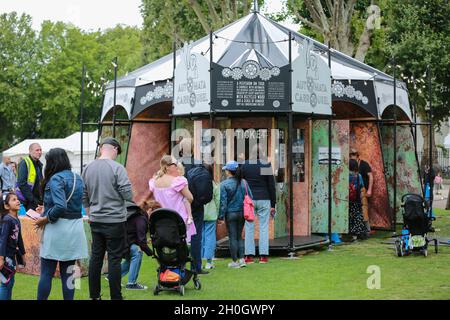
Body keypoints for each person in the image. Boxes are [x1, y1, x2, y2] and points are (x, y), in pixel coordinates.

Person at [32, 148, 88, 300]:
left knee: (46, 273)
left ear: (53, 162)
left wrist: (45, 218)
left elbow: (61, 206)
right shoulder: (77, 177)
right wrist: (46, 207)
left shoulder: (55, 179)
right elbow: (68, 205)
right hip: (75, 228)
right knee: (69, 273)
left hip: (57, 228)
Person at [82, 137, 133, 301]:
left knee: (96, 258)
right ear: (115, 150)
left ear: (101, 148)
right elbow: (128, 194)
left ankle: (94, 296)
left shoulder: (87, 168)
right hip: (115, 220)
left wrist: (90, 214)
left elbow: (83, 196)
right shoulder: (118, 168)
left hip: (96, 219)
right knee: (114, 259)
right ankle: (116, 297)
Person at [177, 138, 213, 275]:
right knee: (196, 235)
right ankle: (196, 267)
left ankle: (179, 264)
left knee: (179, 235)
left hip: (180, 205)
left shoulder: (176, 164)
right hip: (197, 205)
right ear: (193, 148)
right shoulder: (199, 164)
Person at [241, 146, 276, 264]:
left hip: (249, 199)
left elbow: (241, 182)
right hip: (264, 198)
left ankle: (249, 256)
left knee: (249, 227)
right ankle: (263, 256)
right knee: (263, 227)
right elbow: (271, 184)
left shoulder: (245, 165)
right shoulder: (265, 164)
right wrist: (273, 203)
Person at [148, 155, 196, 242]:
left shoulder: (154, 181)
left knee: (165, 243)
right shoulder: (177, 181)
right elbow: (190, 197)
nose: (177, 166)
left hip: (161, 218)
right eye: (175, 164)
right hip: (178, 218)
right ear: (167, 167)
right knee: (180, 244)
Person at [218, 160, 253, 268]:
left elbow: (223, 202)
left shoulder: (224, 184)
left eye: (226, 170)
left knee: (232, 237)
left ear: (229, 171)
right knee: (239, 236)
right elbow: (250, 196)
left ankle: (234, 261)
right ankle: (242, 259)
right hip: (242, 212)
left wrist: (220, 216)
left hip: (230, 213)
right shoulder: (244, 182)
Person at [120, 201, 152, 291]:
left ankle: (113, 276)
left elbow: (135, 235)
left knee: (130, 259)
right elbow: (141, 241)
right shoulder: (141, 218)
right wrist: (151, 253)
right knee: (137, 252)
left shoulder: (137, 215)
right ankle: (131, 284)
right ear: (149, 210)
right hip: (126, 243)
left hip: (122, 242)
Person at [0, 192, 26, 300]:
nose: (18, 201)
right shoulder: (6, 220)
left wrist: (23, 255)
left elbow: (19, 239)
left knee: (10, 282)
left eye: (17, 199)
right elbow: (2, 240)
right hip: (5, 256)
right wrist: (1, 258)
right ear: (6, 206)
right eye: (14, 200)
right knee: (6, 283)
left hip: (11, 256)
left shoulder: (16, 220)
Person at [349, 149, 373, 235]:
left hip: (360, 193)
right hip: (358, 194)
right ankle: (362, 232)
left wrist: (369, 190)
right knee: (359, 213)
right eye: (351, 155)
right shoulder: (357, 175)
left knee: (363, 211)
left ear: (357, 156)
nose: (352, 156)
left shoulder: (364, 164)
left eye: (354, 155)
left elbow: (370, 176)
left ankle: (366, 230)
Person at [202, 164, 220, 270]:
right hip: (211, 213)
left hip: (199, 212)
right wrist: (217, 213)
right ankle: (209, 261)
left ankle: (199, 258)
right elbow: (217, 200)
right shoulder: (214, 185)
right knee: (210, 237)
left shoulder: (197, 183)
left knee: (200, 236)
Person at [17, 143, 44, 211]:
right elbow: (22, 183)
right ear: (30, 151)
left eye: (40, 150)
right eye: (37, 150)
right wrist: (32, 199)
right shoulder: (24, 162)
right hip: (25, 200)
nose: (39, 152)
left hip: (35, 200)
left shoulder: (39, 164)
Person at [348, 159, 368, 240]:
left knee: (348, 216)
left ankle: (344, 234)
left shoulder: (344, 175)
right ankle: (355, 235)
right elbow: (362, 186)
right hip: (356, 200)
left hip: (347, 200)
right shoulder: (358, 176)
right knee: (356, 216)